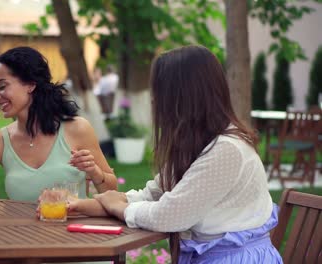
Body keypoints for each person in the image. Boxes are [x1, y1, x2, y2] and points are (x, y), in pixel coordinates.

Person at [67, 45, 283, 263]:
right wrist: (86, 205)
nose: (154, 101)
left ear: (183, 96)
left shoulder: (228, 149)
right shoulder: (199, 143)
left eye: (160, 92)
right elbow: (154, 194)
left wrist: (119, 207)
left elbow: (168, 215)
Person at [0, 46, 117, 202]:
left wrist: (95, 172)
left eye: (2, 86)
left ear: (31, 84)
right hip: (17, 229)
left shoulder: (77, 129)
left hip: (72, 228)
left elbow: (112, 193)